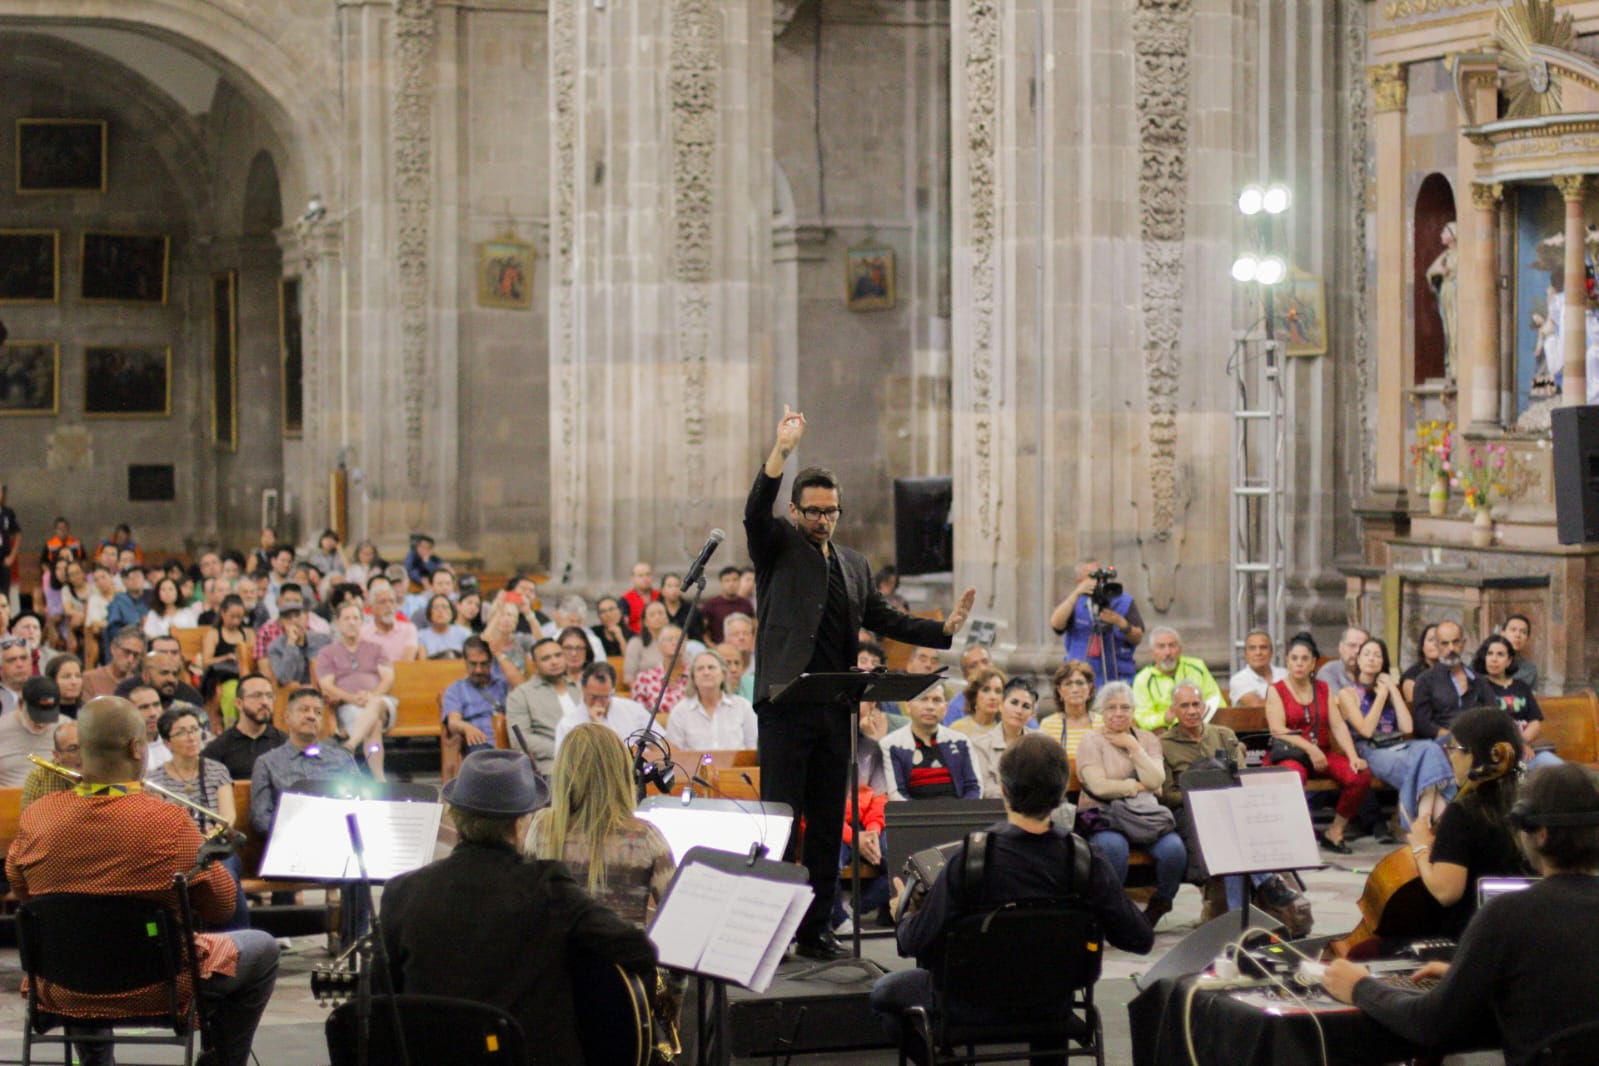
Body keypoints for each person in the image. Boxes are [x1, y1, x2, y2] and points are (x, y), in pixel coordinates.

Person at [747, 405, 974, 960]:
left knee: (828, 823)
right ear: (796, 510)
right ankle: (770, 930)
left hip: (835, 708)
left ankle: (815, 929)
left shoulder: (852, 563)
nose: (823, 520)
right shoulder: (777, 548)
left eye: (831, 511)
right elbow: (755, 511)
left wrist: (941, 629)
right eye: (813, 511)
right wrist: (781, 451)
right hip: (786, 707)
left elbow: (883, 617)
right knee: (782, 822)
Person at [7, 697, 280, 1066]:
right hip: (159, 988)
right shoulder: (168, 821)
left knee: (81, 941)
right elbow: (221, 906)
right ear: (137, 748)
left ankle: (96, 1062)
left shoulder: (38, 817)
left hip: (63, 989)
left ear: (82, 748)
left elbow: (24, 892)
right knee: (263, 948)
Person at [870, 734, 1153, 1062]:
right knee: (1047, 975)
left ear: (1003, 789)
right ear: (1063, 790)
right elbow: (1139, 939)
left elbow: (914, 943)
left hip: (970, 1004)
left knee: (884, 993)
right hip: (1052, 1007)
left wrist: (903, 915)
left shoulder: (970, 861)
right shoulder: (1087, 860)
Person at [381, 748, 657, 1066]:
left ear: (455, 816)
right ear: (519, 824)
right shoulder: (549, 889)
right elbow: (637, 950)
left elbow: (382, 1002)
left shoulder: (401, 892)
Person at [1324, 762, 1599, 1066]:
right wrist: (1473, 977)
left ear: (1540, 834)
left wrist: (1360, 988)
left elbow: (1429, 1024)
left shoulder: (1508, 914)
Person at [527, 723, 676, 927]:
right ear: (621, 772)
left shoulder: (541, 828)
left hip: (557, 947)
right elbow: (676, 914)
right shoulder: (645, 836)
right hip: (623, 946)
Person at [1075, 681, 1188, 925]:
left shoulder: (1146, 739)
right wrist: (1136, 786)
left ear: (1133, 711)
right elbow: (1099, 787)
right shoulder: (1091, 741)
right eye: (1111, 707)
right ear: (1101, 711)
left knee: (1174, 850)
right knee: (1114, 848)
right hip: (1104, 816)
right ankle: (1113, 912)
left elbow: (1156, 779)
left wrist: (1132, 746)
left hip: (1143, 817)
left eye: (1125, 707)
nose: (1118, 713)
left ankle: (1159, 904)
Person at [1265, 634, 1371, 854]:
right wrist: (1310, 748)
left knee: (1360, 776)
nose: (1299, 664)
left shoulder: (1323, 688)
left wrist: (1353, 756)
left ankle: (1335, 831)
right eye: (1294, 658)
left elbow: (1338, 726)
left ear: (1313, 663)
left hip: (1322, 753)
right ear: (1287, 661)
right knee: (1292, 776)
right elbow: (1277, 729)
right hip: (1291, 754)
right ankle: (1294, 835)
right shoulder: (1277, 690)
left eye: (1305, 659)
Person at [1336, 637, 1455, 829]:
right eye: (1366, 654)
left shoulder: (1390, 690)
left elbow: (1407, 728)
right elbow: (1366, 730)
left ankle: (1423, 823)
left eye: (1377, 655)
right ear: (1358, 660)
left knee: (1431, 748)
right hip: (1371, 750)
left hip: (1399, 745)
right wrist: (1381, 696)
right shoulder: (1348, 693)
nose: (1371, 659)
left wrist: (1392, 689)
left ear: (1383, 662)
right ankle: (1435, 827)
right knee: (1426, 768)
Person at [249, 688, 360, 835]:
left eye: (318, 712)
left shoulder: (342, 759)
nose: (311, 716)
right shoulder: (267, 763)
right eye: (304, 710)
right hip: (289, 839)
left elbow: (362, 803)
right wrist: (295, 833)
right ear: (287, 717)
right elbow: (260, 817)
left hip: (338, 835)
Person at [315, 599, 397, 779]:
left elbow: (388, 677)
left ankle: (350, 745)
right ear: (337, 622)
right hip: (348, 706)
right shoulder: (327, 653)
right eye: (346, 618)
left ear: (362, 621)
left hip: (382, 703)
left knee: (376, 703)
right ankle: (380, 779)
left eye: (355, 618)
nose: (351, 622)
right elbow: (326, 685)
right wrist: (352, 698)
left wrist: (372, 696)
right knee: (373, 723)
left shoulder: (376, 648)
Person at [1048, 560, 1145, 685]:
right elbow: (1056, 625)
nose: (1097, 582)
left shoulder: (1123, 601)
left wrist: (1120, 622)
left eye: (1100, 577)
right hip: (1081, 677)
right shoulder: (1075, 601)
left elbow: (1137, 637)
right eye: (1092, 577)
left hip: (1118, 675)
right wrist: (1075, 594)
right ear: (1079, 581)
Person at [1474, 634, 1562, 771]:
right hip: (1496, 753)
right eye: (1489, 654)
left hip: (1524, 750)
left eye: (1500, 654)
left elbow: (1535, 721)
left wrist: (1521, 742)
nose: (1494, 659)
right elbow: (1484, 727)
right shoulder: (1479, 687)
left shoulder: (1521, 687)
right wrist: (1515, 744)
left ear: (1509, 661)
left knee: (1557, 767)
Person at [880, 684, 981, 802]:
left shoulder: (961, 742)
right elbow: (896, 794)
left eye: (937, 700)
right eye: (923, 699)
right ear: (908, 705)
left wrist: (961, 812)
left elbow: (974, 787)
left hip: (959, 811)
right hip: (912, 812)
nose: (930, 706)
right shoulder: (890, 744)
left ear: (946, 708)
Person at [1411, 621, 1496, 740]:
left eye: (1455, 642)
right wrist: (1452, 737)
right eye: (1444, 644)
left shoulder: (1479, 680)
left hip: (1478, 741)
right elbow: (1422, 724)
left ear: (1463, 643)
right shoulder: (1425, 681)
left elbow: (1494, 715)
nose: (1451, 648)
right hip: (1442, 743)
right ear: (1436, 645)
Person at [1131, 626, 1221, 730]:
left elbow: (1215, 699)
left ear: (1180, 649)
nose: (1168, 652)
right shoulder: (1142, 679)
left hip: (1202, 727)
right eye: (1161, 647)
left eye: (1172, 646)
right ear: (1152, 652)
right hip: (1165, 732)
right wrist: (1163, 719)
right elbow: (1142, 718)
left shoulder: (1197, 667)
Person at [665, 649, 759, 750]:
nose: (706, 672)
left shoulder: (743, 707)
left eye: (711, 667)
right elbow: (674, 753)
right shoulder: (680, 712)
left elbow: (753, 747)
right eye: (700, 669)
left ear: (723, 674)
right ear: (693, 677)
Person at [505, 637, 574, 775]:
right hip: (552, 765)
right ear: (535, 665)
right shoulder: (520, 695)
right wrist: (566, 749)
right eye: (546, 658)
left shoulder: (580, 688)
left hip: (590, 760)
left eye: (558, 655)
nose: (554, 662)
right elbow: (520, 739)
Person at [553, 661, 653, 754]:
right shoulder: (568, 725)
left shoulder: (632, 709)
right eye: (593, 696)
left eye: (604, 697)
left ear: (612, 690)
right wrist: (597, 727)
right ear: (583, 689)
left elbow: (660, 743)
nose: (598, 702)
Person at [202, 674, 287, 780]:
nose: (265, 702)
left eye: (269, 696)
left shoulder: (285, 743)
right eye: (256, 696)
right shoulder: (219, 748)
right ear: (239, 703)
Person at [969, 677, 1040, 798]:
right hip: (995, 808)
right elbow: (986, 789)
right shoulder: (980, 745)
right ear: (1001, 705)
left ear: (1032, 714)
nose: (1019, 710)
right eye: (1014, 702)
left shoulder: (1040, 744)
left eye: (1026, 706)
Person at [443, 636, 509, 756]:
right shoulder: (456, 689)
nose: (478, 670)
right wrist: (466, 727)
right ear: (465, 661)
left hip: (507, 743)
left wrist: (499, 654)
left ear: (491, 661)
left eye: (484, 664)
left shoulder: (504, 685)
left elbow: (522, 686)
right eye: (473, 664)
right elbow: (453, 722)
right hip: (478, 743)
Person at [0, 677, 64, 786]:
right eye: (35, 718)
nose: (41, 724)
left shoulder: (66, 729)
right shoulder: (2, 729)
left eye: (48, 718)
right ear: (21, 704)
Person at [1038, 660, 1098, 762]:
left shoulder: (1103, 723)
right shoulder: (1048, 726)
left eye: (1080, 683)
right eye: (1068, 684)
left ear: (1090, 688)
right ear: (1059, 691)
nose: (1075, 690)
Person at [263, 600, 331, 687]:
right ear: (281, 622)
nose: (294, 621)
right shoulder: (275, 648)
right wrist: (291, 644)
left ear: (306, 617)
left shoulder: (323, 640)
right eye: (288, 617)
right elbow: (284, 679)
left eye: (297, 615)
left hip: (323, 689)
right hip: (295, 692)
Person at [630, 625, 691, 715]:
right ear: (659, 647)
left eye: (679, 639)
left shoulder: (695, 676)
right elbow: (636, 713)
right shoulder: (645, 678)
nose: (675, 642)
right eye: (669, 639)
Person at [20, 718, 78, 810]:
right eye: (73, 749)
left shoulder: (101, 774)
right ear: (57, 756)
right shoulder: (40, 778)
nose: (83, 754)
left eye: (88, 747)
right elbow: (27, 818)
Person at [360, 578, 420, 664]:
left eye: (391, 601)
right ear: (372, 608)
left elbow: (406, 664)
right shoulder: (363, 633)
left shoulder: (408, 629)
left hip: (401, 672)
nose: (388, 606)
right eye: (382, 602)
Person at [1227, 628, 1286, 708]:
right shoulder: (1238, 680)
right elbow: (1258, 705)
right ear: (1245, 653)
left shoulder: (1285, 674)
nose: (1258, 652)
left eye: (1263, 647)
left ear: (1271, 652)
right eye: (1252, 648)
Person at [698, 565, 755, 645]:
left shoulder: (746, 604)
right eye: (727, 581)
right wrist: (713, 647)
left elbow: (755, 628)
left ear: (740, 581)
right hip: (718, 647)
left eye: (735, 580)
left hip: (743, 647)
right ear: (721, 583)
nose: (731, 584)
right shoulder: (711, 604)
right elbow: (703, 631)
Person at [622, 599, 672, 687]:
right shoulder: (636, 643)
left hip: (674, 690)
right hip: (645, 690)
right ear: (645, 622)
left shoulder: (676, 641)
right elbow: (629, 678)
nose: (657, 617)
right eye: (652, 615)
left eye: (660, 613)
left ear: (667, 618)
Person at [940, 644, 994, 723]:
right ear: (965, 675)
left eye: (985, 662)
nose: (982, 668)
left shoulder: (1006, 698)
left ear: (992, 665)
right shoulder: (954, 709)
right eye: (973, 666)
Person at [948, 666, 1005, 738]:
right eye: (986, 690)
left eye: (998, 691)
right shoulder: (957, 730)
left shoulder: (1007, 732)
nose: (993, 697)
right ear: (974, 696)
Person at [1317, 625, 1372, 697]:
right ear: (1341, 647)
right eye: (1352, 645)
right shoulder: (1328, 672)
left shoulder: (1373, 672)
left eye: (1362, 647)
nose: (1357, 651)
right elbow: (1338, 702)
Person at [417, 593, 470, 659]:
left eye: (444, 607)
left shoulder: (464, 633)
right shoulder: (421, 636)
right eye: (436, 607)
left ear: (452, 612)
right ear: (430, 613)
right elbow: (422, 662)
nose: (440, 611)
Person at [1401, 623, 1441, 706]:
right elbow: (1417, 707)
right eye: (1431, 640)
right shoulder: (1412, 676)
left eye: (1439, 640)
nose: (1435, 644)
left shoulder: (1451, 672)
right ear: (1423, 647)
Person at [618, 560, 660, 634]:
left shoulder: (660, 596)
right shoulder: (625, 599)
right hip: (636, 637)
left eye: (648, 574)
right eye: (640, 576)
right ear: (632, 579)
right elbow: (624, 626)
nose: (645, 578)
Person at [1500, 614, 1538, 689]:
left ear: (1527, 639)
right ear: (1503, 634)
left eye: (1523, 632)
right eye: (1513, 630)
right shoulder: (1484, 662)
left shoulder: (1530, 669)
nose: (1518, 635)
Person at [44, 652, 83, 718]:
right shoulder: (42, 710)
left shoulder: (88, 711)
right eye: (66, 677)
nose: (74, 682)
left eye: (78, 676)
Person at [0, 634, 31, 715]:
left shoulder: (43, 693)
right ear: (0, 669)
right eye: (11, 660)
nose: (19, 664)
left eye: (23, 658)